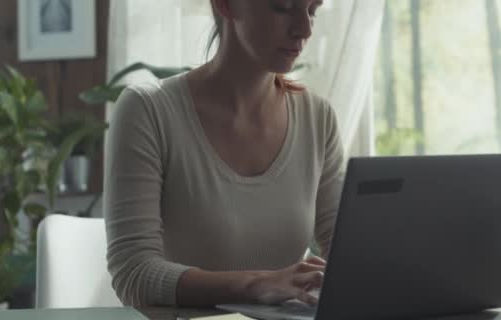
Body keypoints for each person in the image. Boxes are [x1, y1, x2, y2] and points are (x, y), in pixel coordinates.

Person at [104, 0, 344, 308]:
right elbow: (133, 274)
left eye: (312, 9)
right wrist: (256, 285)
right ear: (225, 5)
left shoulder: (317, 117)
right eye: (283, 7)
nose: (305, 29)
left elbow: (346, 251)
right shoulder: (148, 110)